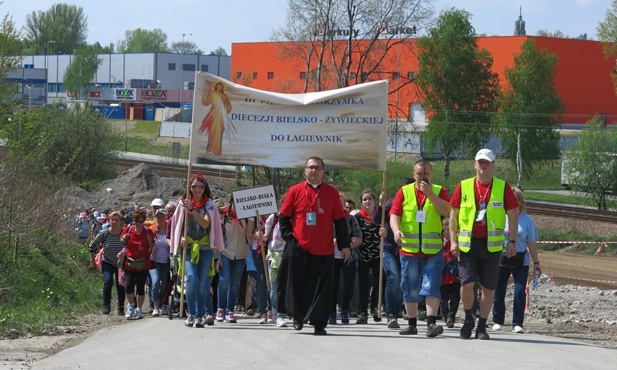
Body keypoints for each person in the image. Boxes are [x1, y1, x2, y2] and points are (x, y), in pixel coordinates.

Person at [449, 149, 519, 340]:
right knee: (467, 283)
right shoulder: (463, 186)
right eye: (480, 162)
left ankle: (481, 326)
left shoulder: (502, 187)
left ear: (493, 165)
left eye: (487, 162)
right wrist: (453, 241)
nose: (483, 165)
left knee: (488, 288)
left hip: (492, 246)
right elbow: (453, 215)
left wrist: (512, 241)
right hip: (468, 245)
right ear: (475, 165)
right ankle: (468, 318)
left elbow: (513, 213)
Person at [279, 156, 351, 335]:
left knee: (322, 289)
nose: (314, 170)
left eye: (318, 168)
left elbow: (340, 221)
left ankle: (319, 323)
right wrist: (290, 238)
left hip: (324, 248)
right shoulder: (294, 190)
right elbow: (284, 217)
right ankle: (297, 317)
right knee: (297, 285)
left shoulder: (332, 192)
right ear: (305, 171)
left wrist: (344, 246)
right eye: (310, 167)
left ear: (323, 172)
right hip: (299, 247)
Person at [390, 159, 451, 337]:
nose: (422, 177)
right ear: (414, 174)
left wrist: (431, 194)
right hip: (409, 249)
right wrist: (396, 230)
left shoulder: (440, 191)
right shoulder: (404, 191)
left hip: (433, 250)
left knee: (432, 285)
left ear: (431, 174)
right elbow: (394, 214)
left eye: (426, 174)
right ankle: (412, 324)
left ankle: (431, 324)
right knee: (410, 287)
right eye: (419, 174)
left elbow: (448, 211)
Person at [493, 187, 542, 334]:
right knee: (498, 290)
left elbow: (531, 243)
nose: (512, 202)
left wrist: (536, 262)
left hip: (521, 260)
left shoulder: (527, 220)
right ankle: (497, 320)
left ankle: (517, 323)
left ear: (520, 202)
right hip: (502, 258)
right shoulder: (500, 216)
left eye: (515, 199)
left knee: (520, 291)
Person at [179, 173, 225, 328]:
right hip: (189, 246)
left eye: (200, 186)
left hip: (205, 247)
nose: (197, 189)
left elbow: (206, 225)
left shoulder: (210, 205)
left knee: (202, 283)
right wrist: (180, 238)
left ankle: (199, 315)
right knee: (191, 279)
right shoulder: (182, 204)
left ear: (204, 188)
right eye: (194, 186)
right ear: (189, 188)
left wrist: (192, 210)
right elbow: (177, 224)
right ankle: (191, 313)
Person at [375, 177, 414, 329]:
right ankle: (391, 314)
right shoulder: (392, 202)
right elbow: (378, 219)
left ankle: (397, 311)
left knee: (403, 281)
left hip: (407, 248)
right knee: (394, 277)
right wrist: (380, 205)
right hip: (389, 247)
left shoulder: (417, 205)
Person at [354, 190, 386, 324]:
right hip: (363, 255)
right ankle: (362, 312)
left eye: (369, 199)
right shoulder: (357, 217)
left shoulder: (382, 215)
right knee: (363, 284)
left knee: (379, 283)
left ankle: (374, 307)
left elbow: (389, 228)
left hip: (379, 254)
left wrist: (385, 232)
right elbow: (352, 232)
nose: (367, 202)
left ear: (374, 201)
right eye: (364, 199)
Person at [329, 195, 362, 325]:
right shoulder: (327, 218)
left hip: (349, 257)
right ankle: (331, 312)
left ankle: (345, 310)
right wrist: (331, 241)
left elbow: (358, 236)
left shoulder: (350, 219)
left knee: (349, 284)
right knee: (333, 285)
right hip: (331, 256)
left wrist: (351, 243)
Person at [88, 211, 126, 315]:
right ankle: (106, 306)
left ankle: (121, 307)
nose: (114, 222)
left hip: (121, 264)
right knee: (108, 282)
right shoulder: (104, 233)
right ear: (109, 221)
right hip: (107, 262)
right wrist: (93, 262)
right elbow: (91, 246)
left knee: (121, 285)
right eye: (112, 220)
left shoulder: (124, 234)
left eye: (116, 220)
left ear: (120, 222)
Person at [121, 208, 154, 320]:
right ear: (134, 220)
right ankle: (130, 306)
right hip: (129, 262)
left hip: (143, 262)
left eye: (141, 221)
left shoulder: (147, 232)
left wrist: (150, 241)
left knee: (140, 287)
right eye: (137, 221)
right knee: (129, 286)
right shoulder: (128, 230)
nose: (139, 223)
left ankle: (139, 309)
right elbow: (122, 242)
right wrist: (124, 239)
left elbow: (152, 246)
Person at [198, 81, 233, 156]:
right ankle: (209, 147)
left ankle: (217, 150)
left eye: (221, 86)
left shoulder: (224, 95)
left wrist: (225, 105)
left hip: (221, 115)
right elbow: (205, 102)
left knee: (219, 132)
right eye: (219, 86)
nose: (220, 87)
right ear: (216, 86)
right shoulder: (212, 93)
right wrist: (209, 91)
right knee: (212, 131)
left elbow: (228, 106)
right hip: (213, 114)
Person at [148, 208, 170, 317]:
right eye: (158, 216)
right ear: (155, 218)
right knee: (155, 282)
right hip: (154, 262)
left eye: (162, 216)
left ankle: (164, 304)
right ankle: (156, 306)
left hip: (167, 262)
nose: (160, 218)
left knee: (165, 283)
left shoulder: (170, 229)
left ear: (166, 217)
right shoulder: (152, 230)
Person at [440, 217, 460, 328]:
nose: (447, 232)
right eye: (445, 229)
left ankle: (451, 316)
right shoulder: (440, 240)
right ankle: (445, 314)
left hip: (454, 274)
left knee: (455, 297)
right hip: (443, 274)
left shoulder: (456, 240)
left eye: (449, 229)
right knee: (443, 298)